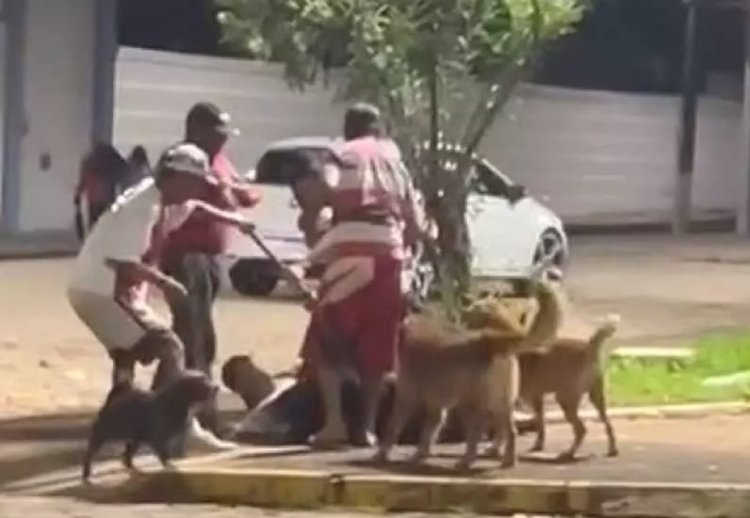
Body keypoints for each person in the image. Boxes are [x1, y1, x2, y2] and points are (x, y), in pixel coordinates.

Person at [67, 142, 255, 396]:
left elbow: (196, 207)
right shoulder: (143, 209)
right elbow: (124, 264)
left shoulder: (166, 196)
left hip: (95, 287)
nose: (198, 189)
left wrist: (233, 219)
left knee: (126, 352)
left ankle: (121, 411)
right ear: (176, 178)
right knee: (169, 347)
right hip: (102, 291)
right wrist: (166, 283)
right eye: (194, 182)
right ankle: (169, 416)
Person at [294, 103, 423, 448]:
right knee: (377, 344)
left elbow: (326, 187)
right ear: (379, 130)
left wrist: (314, 209)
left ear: (348, 129)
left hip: (350, 254)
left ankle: (335, 423)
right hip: (390, 256)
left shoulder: (342, 153)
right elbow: (415, 225)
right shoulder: (397, 165)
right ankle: (365, 428)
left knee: (326, 333)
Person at [160, 102, 261, 436]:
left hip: (212, 259)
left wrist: (240, 194)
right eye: (218, 133)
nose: (224, 140)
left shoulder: (219, 160)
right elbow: (180, 207)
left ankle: (170, 407)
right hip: (186, 257)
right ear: (196, 129)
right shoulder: (181, 161)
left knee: (195, 333)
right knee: (195, 334)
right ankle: (196, 413)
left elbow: (234, 192)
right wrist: (224, 205)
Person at [73, 142, 131, 241]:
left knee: (95, 227)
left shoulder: (88, 161)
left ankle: (96, 247)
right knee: (106, 227)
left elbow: (83, 180)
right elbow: (122, 174)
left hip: (94, 199)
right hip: (108, 199)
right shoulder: (110, 161)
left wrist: (78, 195)